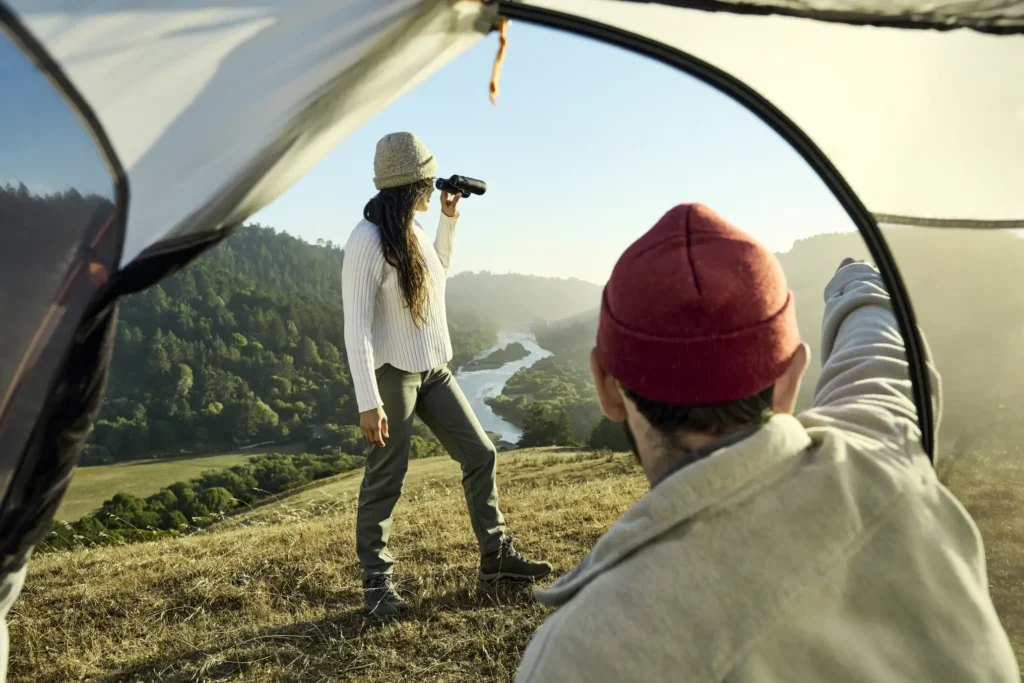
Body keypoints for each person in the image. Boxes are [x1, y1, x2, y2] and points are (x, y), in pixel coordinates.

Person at [515, 203, 1018, 681]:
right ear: (793, 377)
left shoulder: (580, 656)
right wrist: (854, 278)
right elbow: (881, 345)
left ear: (605, 386)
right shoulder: (884, 445)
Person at [342, 132, 551, 618]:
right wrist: (368, 400)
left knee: (481, 453)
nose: (431, 186)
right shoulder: (366, 240)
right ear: (406, 185)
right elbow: (355, 327)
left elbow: (436, 274)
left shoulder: (411, 229)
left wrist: (448, 220)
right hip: (393, 374)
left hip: (434, 368)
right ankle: (377, 585)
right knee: (386, 477)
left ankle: (496, 558)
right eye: (425, 180)